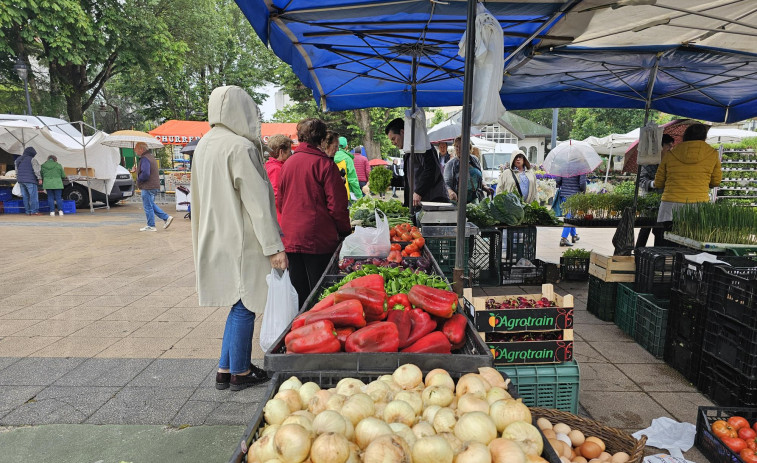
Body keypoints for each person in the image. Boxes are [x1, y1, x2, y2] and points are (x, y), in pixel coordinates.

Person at [191, 85, 286, 391]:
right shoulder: (240, 147)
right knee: (246, 302)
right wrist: (273, 247)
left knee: (236, 301)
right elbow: (257, 202)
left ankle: (225, 368)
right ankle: (240, 371)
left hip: (215, 233)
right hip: (243, 237)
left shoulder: (204, 144)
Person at [278, 118, 351, 307]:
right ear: (321, 137)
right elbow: (337, 206)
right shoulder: (324, 165)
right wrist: (344, 231)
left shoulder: (288, 163)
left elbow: (280, 201)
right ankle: (316, 328)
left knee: (299, 291)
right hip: (317, 239)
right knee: (320, 292)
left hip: (291, 237)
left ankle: (299, 329)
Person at [653, 124, 721, 242]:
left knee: (666, 244)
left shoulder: (671, 153)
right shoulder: (712, 154)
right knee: (691, 245)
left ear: (685, 136)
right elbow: (716, 181)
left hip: (670, 206)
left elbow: (658, 182)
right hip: (698, 205)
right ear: (704, 137)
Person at [384, 118, 448, 208]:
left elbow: (431, 170)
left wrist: (418, 192)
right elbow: (409, 180)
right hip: (421, 203)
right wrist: (391, 182)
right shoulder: (408, 153)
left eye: (393, 139)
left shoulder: (422, 147)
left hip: (434, 201)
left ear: (402, 132)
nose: (393, 143)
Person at [636, 134, 674, 247]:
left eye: (672, 146)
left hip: (665, 202)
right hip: (649, 203)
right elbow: (641, 180)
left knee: (660, 231)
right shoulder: (649, 162)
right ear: (661, 147)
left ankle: (657, 255)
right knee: (645, 229)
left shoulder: (671, 163)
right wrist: (653, 184)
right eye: (668, 145)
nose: (671, 148)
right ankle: (638, 251)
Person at [135, 142, 173, 232]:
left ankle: (151, 225)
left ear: (141, 149)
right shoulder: (150, 157)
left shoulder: (144, 159)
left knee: (148, 206)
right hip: (153, 185)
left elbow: (146, 173)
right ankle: (166, 218)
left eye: (136, 149)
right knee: (151, 204)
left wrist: (139, 178)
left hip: (148, 186)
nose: (135, 151)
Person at [443, 136, 488, 204]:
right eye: (456, 146)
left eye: (461, 146)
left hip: (476, 200)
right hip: (459, 202)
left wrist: (485, 186)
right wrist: (451, 192)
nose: (458, 149)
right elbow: (446, 184)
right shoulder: (451, 164)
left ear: (468, 147)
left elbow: (479, 178)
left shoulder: (474, 160)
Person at [264, 134, 293, 224]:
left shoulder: (268, 165)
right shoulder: (276, 169)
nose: (291, 154)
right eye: (289, 151)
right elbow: (276, 197)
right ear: (281, 152)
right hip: (280, 219)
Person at [556, 173, 587, 246]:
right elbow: (582, 183)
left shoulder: (563, 166)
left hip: (564, 195)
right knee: (570, 216)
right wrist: (583, 193)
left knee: (570, 215)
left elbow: (558, 180)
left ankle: (574, 236)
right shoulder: (581, 167)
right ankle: (564, 238)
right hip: (574, 195)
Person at [14, 146, 42, 215]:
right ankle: (34, 211)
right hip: (30, 181)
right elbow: (37, 170)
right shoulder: (32, 160)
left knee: (25, 196)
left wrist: (19, 178)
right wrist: (39, 178)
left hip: (21, 181)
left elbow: (16, 171)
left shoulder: (17, 160)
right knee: (33, 196)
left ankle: (27, 211)